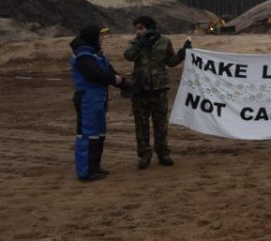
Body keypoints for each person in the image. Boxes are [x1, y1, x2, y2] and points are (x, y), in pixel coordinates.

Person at [124, 15, 189, 169]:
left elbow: (171, 62)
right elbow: (128, 56)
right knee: (141, 125)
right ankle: (144, 154)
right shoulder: (135, 43)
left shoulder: (164, 42)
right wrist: (140, 44)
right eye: (137, 29)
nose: (138, 31)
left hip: (159, 89)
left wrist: (182, 53)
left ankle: (163, 153)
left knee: (161, 124)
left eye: (141, 28)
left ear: (150, 27)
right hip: (140, 89)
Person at [70, 25, 125, 181]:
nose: (103, 38)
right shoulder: (83, 55)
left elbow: (108, 70)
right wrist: (113, 79)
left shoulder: (96, 53)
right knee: (87, 135)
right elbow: (94, 74)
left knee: (98, 134)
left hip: (98, 98)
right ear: (93, 37)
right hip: (87, 98)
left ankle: (95, 167)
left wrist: (123, 83)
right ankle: (85, 171)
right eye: (101, 35)